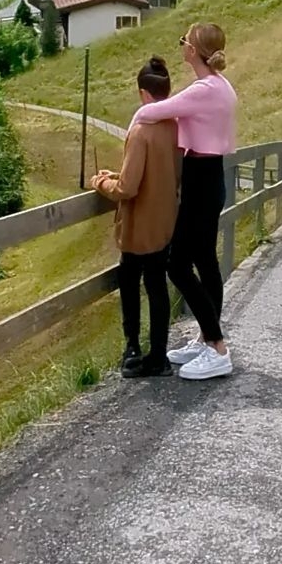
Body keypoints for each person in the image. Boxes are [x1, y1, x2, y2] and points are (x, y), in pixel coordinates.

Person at [131, 22, 236, 381]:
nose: (182, 47)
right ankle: (208, 338)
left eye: (184, 42)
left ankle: (218, 347)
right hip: (208, 176)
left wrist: (133, 130)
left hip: (200, 178)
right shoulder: (220, 85)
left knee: (177, 265)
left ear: (192, 51)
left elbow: (152, 111)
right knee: (204, 260)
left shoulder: (204, 89)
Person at [91, 57, 179, 378]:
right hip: (164, 221)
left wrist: (101, 182)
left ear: (143, 93)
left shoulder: (141, 131)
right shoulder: (174, 126)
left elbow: (127, 188)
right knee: (157, 285)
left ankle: (132, 349)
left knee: (129, 281)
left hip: (139, 225)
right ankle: (159, 355)